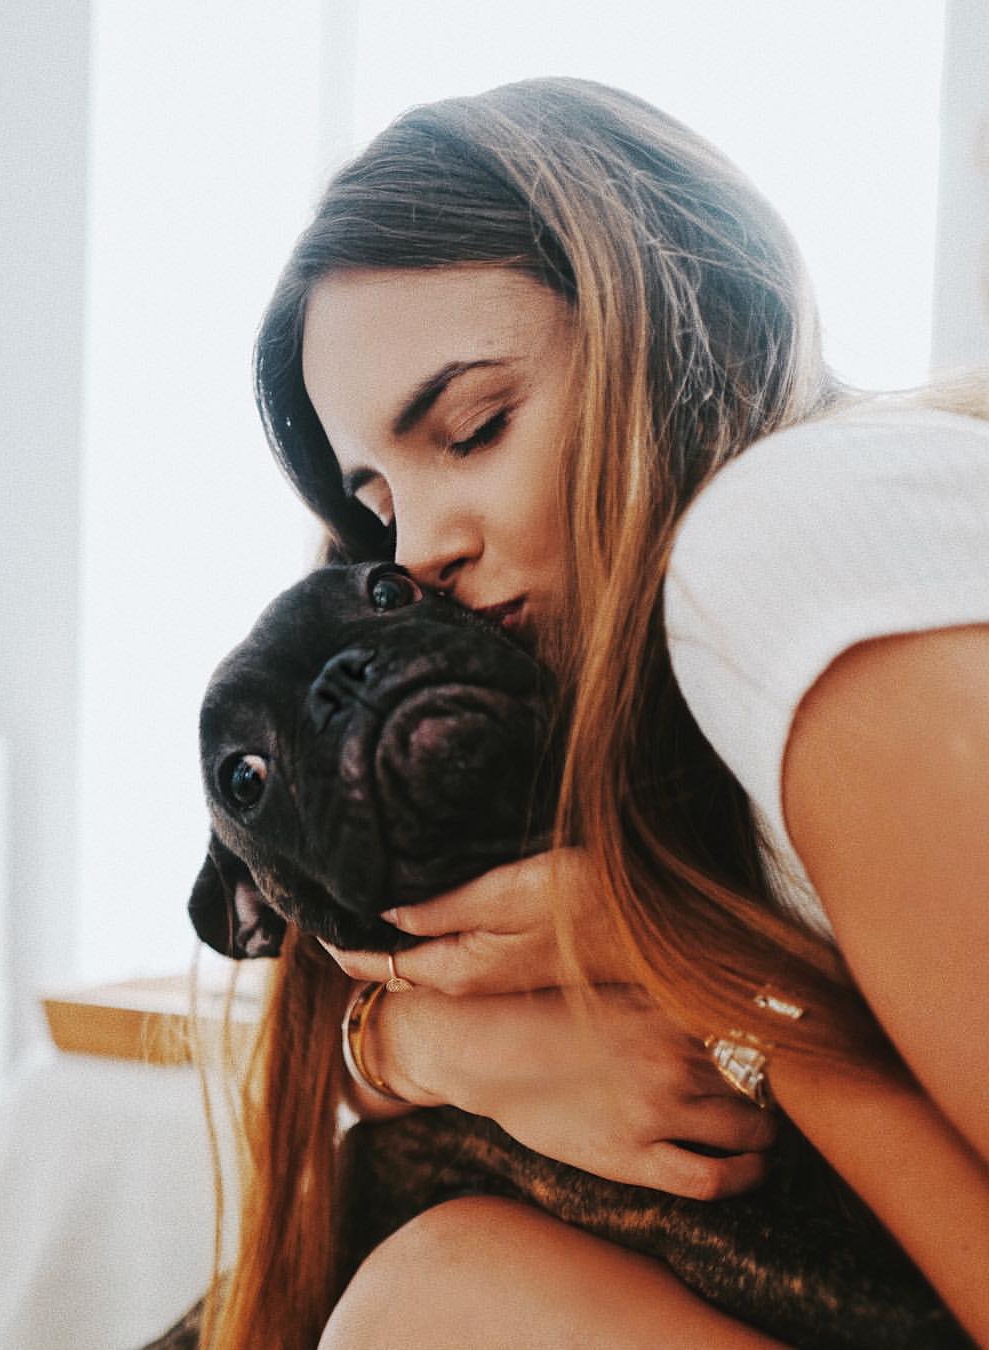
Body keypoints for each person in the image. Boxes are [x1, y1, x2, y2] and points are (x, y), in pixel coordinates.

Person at [210, 77, 989, 1349]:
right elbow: (340, 1034)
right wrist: (440, 1048)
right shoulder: (677, 664)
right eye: (378, 506)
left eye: (475, 427)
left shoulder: (794, 543)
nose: (421, 555)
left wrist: (714, 992)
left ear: (687, 309)